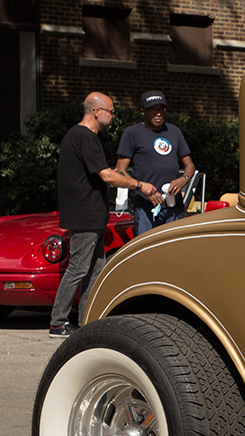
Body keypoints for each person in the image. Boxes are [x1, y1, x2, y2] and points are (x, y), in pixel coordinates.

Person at [50, 93, 162, 337]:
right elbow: (107, 176)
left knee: (95, 270)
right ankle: (58, 322)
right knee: (79, 268)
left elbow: (101, 172)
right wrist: (140, 185)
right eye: (111, 112)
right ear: (96, 112)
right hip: (85, 215)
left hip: (92, 215)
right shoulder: (84, 136)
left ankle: (87, 322)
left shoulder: (79, 137)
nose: (113, 117)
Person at [116, 90, 196, 234]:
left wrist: (183, 179)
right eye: (152, 110)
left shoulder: (174, 131)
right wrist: (142, 188)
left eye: (161, 109)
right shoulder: (132, 133)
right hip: (146, 206)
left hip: (174, 206)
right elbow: (120, 171)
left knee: (174, 251)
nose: (158, 113)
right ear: (142, 111)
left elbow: (189, 165)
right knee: (148, 253)